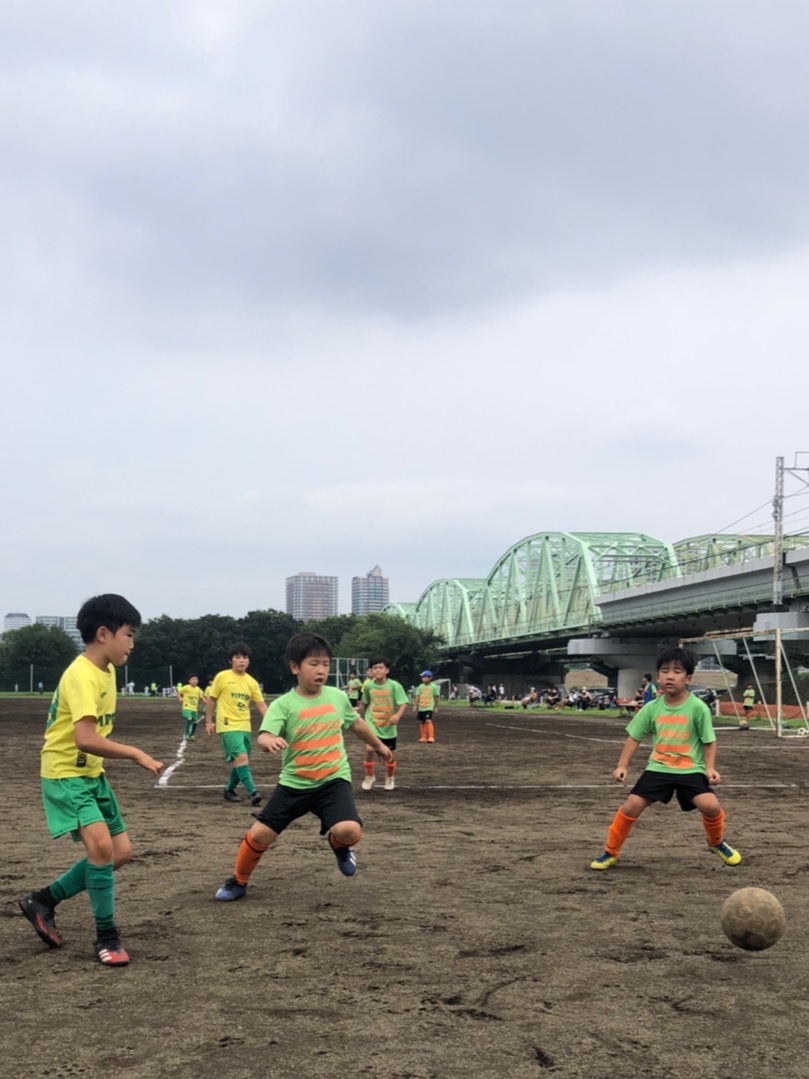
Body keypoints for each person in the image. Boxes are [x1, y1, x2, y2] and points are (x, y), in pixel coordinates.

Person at [19, 594, 163, 966]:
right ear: (103, 634)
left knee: (119, 854)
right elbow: (84, 738)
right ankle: (106, 936)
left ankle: (43, 900)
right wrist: (134, 753)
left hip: (90, 774)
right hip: (65, 774)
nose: (132, 643)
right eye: (128, 634)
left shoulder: (107, 671)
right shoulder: (81, 675)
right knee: (100, 849)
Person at [214, 633, 393, 901]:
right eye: (314, 664)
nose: (321, 670)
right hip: (294, 784)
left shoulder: (336, 697)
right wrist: (269, 741)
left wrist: (378, 745)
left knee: (349, 831)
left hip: (333, 780)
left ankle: (339, 845)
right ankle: (238, 881)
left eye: (325, 664)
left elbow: (355, 723)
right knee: (260, 834)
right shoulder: (283, 705)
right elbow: (264, 736)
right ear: (294, 667)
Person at [589, 647, 741, 871]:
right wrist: (622, 765)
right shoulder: (651, 708)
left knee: (710, 805)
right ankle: (609, 852)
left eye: (677, 671)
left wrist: (709, 769)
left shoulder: (698, 708)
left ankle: (716, 842)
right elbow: (634, 737)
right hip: (658, 768)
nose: (670, 676)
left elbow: (709, 741)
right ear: (658, 676)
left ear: (688, 678)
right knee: (631, 806)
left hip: (690, 769)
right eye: (665, 671)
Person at [204, 643, 267, 805]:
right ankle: (253, 792)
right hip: (228, 725)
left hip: (245, 726)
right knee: (241, 757)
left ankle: (229, 790)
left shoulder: (251, 682)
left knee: (241, 761)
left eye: (245, 657)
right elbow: (212, 700)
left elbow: (261, 705)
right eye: (237, 657)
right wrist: (209, 722)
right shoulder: (222, 677)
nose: (242, 660)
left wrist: (271, 725)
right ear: (230, 660)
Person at [360, 656, 408, 791]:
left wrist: (397, 715)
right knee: (369, 749)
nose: (377, 670)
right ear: (371, 671)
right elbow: (365, 702)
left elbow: (403, 703)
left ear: (387, 670)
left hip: (388, 726)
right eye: (374, 668)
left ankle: (390, 777)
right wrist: (362, 717)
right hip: (372, 723)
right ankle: (369, 777)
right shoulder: (368, 685)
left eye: (380, 668)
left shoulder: (394, 686)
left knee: (389, 754)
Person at [414, 669, 440, 743]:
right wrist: (415, 705)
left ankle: (431, 737)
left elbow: (436, 697)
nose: (423, 679)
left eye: (425, 677)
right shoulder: (420, 686)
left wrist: (436, 707)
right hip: (421, 707)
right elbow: (417, 696)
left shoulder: (434, 687)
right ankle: (423, 737)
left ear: (430, 678)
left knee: (428, 720)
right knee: (422, 722)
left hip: (429, 707)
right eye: (422, 677)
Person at [177, 674, 204, 741]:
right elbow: (178, 692)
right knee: (189, 718)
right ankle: (186, 735)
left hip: (194, 709)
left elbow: (202, 698)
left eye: (196, 679)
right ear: (189, 681)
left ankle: (192, 735)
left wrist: (208, 702)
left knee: (195, 722)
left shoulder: (198, 689)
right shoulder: (186, 687)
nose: (195, 681)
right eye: (193, 679)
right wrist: (180, 698)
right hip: (186, 708)